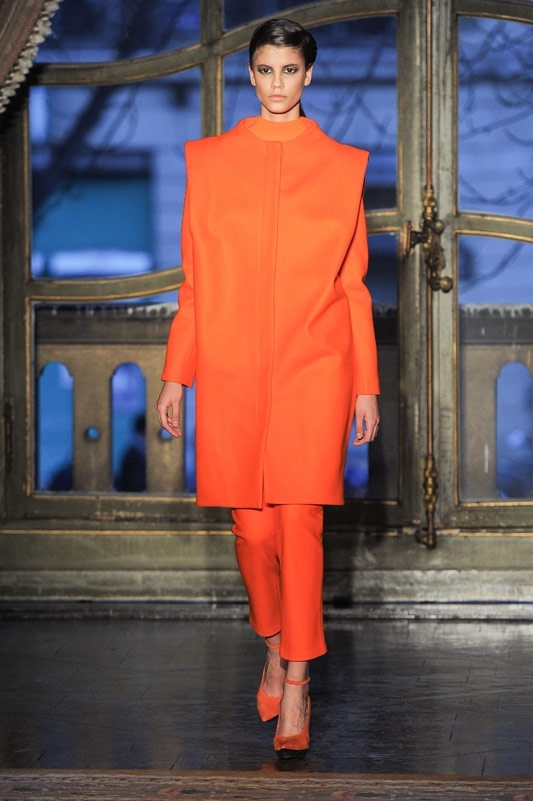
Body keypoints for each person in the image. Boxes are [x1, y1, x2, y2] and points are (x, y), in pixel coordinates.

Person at [156, 18, 380, 757]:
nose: (277, 82)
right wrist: (176, 374)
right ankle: (276, 641)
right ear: (248, 74)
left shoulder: (343, 166)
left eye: (289, 69)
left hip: (316, 367)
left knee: (299, 523)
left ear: (308, 75)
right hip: (230, 369)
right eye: (264, 69)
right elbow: (194, 283)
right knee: (252, 531)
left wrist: (366, 384)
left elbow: (353, 287)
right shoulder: (208, 161)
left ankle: (298, 683)